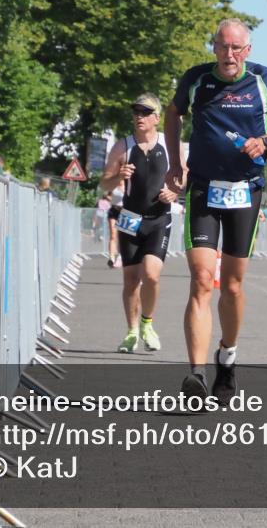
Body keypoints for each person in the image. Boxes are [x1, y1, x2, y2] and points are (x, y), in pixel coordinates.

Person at [165, 18, 267, 404]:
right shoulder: (196, 79)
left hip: (245, 191)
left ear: (247, 51)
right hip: (203, 188)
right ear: (214, 48)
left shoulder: (262, 79)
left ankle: (228, 354)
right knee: (202, 279)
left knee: (233, 286)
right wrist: (175, 163)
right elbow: (173, 114)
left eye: (236, 48)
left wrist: (265, 141)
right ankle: (196, 375)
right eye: (223, 46)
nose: (229, 54)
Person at [101, 93, 178, 354]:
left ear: (157, 118)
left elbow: (184, 174)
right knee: (131, 279)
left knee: (152, 275)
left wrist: (174, 191)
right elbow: (104, 183)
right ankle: (132, 331)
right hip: (129, 219)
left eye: (145, 112)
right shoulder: (122, 147)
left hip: (159, 219)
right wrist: (118, 177)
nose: (139, 117)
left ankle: (147, 323)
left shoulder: (170, 144)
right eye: (136, 112)